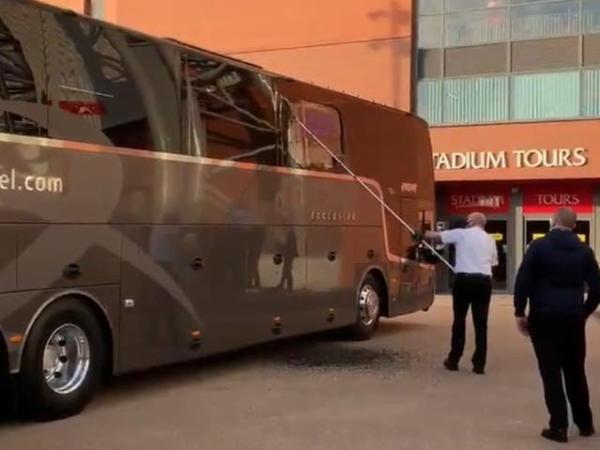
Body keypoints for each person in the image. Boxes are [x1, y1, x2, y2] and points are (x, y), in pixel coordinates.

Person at [514, 207, 600, 443]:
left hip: (543, 316)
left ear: (553, 222)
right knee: (575, 371)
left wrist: (520, 311)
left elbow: (523, 279)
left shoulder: (539, 247)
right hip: (572, 317)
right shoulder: (584, 251)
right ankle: (585, 423)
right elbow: (597, 287)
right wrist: (584, 311)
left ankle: (559, 426)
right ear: (575, 225)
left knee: (550, 371)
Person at [417, 211, 498, 374]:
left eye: (468, 219)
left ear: (472, 221)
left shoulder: (462, 234)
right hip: (483, 282)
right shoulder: (490, 240)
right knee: (481, 324)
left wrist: (420, 235)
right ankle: (479, 364)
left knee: (459, 320)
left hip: (464, 281)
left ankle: (454, 360)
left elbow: (438, 236)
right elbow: (493, 262)